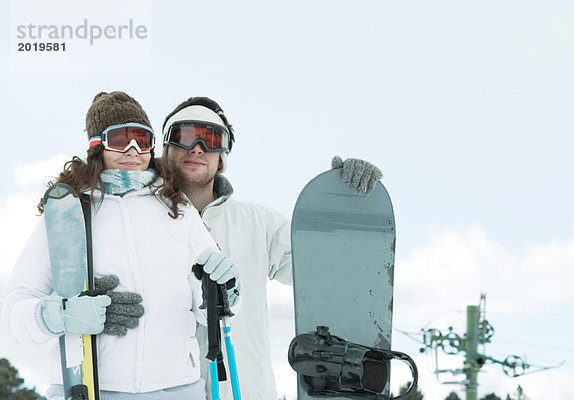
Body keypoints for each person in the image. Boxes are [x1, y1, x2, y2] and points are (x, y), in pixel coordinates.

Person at [1, 91, 240, 400]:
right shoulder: (69, 213)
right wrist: (60, 314)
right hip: (89, 387)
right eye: (120, 140)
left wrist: (226, 290)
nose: (133, 150)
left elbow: (210, 308)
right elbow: (13, 315)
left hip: (177, 388)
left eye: (142, 139)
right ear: (97, 146)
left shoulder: (177, 208)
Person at [161, 96, 382, 399]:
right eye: (185, 136)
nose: (198, 147)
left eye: (211, 138)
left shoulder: (259, 223)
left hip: (247, 391)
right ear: (165, 149)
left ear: (222, 155)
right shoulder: (143, 222)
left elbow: (325, 271)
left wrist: (346, 202)